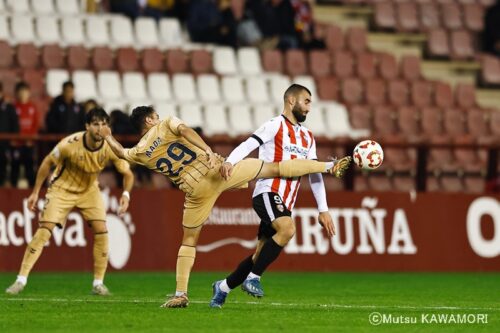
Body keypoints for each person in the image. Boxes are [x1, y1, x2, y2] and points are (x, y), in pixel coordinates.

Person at [99, 105, 352, 308]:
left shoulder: (139, 151)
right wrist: (207, 149)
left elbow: (121, 152)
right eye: (155, 115)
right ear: (151, 119)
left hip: (195, 191)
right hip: (216, 171)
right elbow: (186, 130)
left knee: (188, 241)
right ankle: (328, 166)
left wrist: (108, 135)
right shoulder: (166, 123)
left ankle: (181, 293)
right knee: (273, 167)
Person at [209, 84, 333, 308]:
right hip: (267, 192)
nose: (309, 108)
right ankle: (254, 278)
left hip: (286, 202)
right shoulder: (274, 125)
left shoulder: (308, 137)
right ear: (291, 101)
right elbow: (250, 143)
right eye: (306, 101)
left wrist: (323, 209)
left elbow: (314, 172)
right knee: (288, 229)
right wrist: (229, 160)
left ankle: (223, 287)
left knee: (259, 256)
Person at [5, 108, 135, 296]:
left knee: (102, 231)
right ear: (87, 126)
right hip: (62, 189)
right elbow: (47, 163)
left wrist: (126, 195)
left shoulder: (110, 147)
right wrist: (35, 193)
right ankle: (20, 280)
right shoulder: (69, 144)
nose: (101, 128)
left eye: (104, 124)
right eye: (96, 124)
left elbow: (128, 174)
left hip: (89, 189)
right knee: (44, 230)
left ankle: (98, 283)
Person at [11, 82, 38, 187]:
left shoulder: (33, 107)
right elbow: (11, 124)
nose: (23, 94)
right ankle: (10, 195)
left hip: (29, 144)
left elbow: (35, 125)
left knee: (30, 170)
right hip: (16, 144)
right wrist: (14, 140)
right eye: (20, 91)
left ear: (29, 93)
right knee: (15, 169)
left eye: (25, 91)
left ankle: (32, 193)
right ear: (16, 93)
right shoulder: (12, 107)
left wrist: (30, 139)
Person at [0, 82, 19, 187]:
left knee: (3, 168)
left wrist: (13, 140)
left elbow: (15, 125)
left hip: (4, 145)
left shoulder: (9, 107)